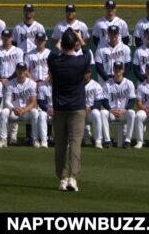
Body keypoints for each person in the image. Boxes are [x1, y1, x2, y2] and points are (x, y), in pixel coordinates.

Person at [47, 28, 91, 192]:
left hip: (59, 108)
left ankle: (62, 178)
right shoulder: (80, 62)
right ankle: (72, 178)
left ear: (62, 44)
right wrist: (80, 38)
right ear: (74, 44)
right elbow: (87, 53)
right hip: (77, 108)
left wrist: (60, 41)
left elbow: (52, 53)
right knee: (74, 143)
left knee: (60, 144)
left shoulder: (55, 62)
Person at [101, 62, 137, 148]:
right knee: (102, 113)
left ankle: (128, 141)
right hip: (112, 113)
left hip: (123, 112)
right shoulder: (107, 84)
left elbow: (132, 100)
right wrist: (110, 110)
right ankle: (107, 141)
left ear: (123, 70)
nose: (118, 70)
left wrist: (125, 109)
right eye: (116, 68)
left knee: (132, 113)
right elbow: (104, 100)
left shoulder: (129, 83)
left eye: (120, 68)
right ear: (113, 70)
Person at [4, 62, 38, 146]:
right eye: (19, 69)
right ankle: (3, 139)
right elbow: (7, 101)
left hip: (26, 112)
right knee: (4, 112)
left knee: (35, 112)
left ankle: (35, 139)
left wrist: (24, 110)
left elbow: (33, 102)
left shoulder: (32, 84)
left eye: (23, 70)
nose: (21, 71)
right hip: (14, 112)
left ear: (26, 71)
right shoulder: (9, 84)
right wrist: (14, 109)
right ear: (16, 71)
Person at [33, 78, 54, 148]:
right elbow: (40, 102)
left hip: (58, 111)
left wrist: (57, 111)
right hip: (47, 111)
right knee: (42, 115)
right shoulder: (42, 86)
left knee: (66, 115)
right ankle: (44, 141)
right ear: (49, 74)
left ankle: (64, 142)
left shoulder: (63, 85)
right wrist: (47, 110)